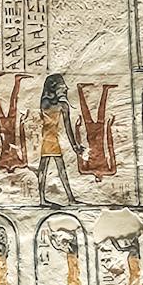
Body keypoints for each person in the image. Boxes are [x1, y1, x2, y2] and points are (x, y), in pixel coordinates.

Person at [36, 73, 83, 205]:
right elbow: (67, 128)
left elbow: (68, 128)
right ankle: (68, 198)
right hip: (48, 139)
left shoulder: (57, 104)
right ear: (54, 87)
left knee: (47, 168)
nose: (66, 88)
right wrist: (74, 146)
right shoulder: (55, 104)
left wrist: (75, 146)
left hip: (50, 139)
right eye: (63, 86)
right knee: (54, 169)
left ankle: (48, 198)